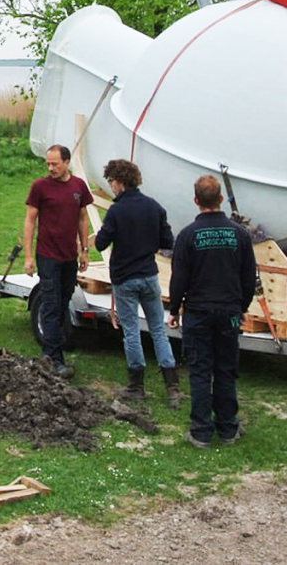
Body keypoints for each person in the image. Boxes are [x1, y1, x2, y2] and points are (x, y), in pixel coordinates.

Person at [167, 175, 257, 449]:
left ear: (196, 201)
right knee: (226, 370)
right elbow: (249, 276)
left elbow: (179, 277)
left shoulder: (187, 236)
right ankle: (229, 429)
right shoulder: (240, 234)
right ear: (221, 200)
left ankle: (201, 432)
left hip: (198, 312)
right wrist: (241, 307)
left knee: (200, 371)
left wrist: (174, 309)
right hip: (228, 311)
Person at [92, 159, 180, 408]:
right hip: (149, 276)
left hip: (125, 279)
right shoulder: (154, 207)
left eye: (111, 182)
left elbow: (101, 243)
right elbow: (167, 240)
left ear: (119, 182)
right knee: (159, 331)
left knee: (131, 331)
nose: (111, 187)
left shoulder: (116, 211)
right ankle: (172, 389)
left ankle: (136, 388)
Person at [24, 144, 93, 378]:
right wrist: (28, 256)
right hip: (48, 256)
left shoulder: (78, 187)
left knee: (63, 303)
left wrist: (84, 250)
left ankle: (49, 352)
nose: (50, 168)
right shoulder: (40, 187)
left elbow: (83, 218)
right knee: (51, 305)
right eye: (48, 164)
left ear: (66, 162)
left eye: (55, 164)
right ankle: (55, 359)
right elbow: (30, 220)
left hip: (69, 257)